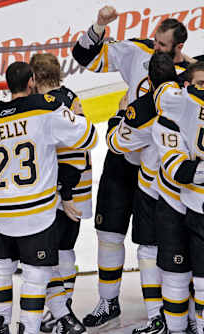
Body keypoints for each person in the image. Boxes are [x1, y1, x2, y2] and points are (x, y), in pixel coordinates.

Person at [72, 6, 194, 332]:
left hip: (158, 173)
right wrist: (99, 24)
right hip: (123, 162)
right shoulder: (138, 50)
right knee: (108, 234)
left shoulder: (193, 76)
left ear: (178, 48)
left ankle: (164, 313)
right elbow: (85, 56)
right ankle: (108, 302)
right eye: (154, 40)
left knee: (154, 245)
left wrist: (119, 121)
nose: (154, 47)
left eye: (162, 45)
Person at [0, 61, 97, 334]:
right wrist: (76, 116)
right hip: (35, 213)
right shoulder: (46, 108)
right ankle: (29, 328)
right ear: (31, 81)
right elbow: (89, 137)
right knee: (36, 274)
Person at [106, 52, 182, 334]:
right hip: (188, 191)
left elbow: (115, 144)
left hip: (153, 191)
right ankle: (186, 316)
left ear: (148, 80)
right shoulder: (191, 97)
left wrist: (118, 116)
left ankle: (157, 318)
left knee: (149, 252)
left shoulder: (142, 109)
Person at [28, 53, 93, 333]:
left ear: (35, 78)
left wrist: (65, 194)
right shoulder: (70, 96)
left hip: (64, 190)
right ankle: (61, 310)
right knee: (65, 250)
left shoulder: (49, 106)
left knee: (54, 252)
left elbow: (69, 157)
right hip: (79, 187)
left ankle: (60, 313)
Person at [150, 61, 204, 334]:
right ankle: (176, 329)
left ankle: (195, 324)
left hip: (198, 207)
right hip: (173, 205)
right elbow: (178, 171)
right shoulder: (165, 122)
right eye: (200, 85)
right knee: (175, 277)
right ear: (185, 88)